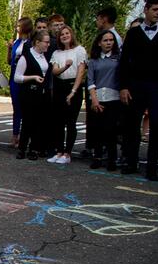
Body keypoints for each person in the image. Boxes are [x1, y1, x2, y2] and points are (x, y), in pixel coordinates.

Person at [119, 0, 158, 181]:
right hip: (136, 83)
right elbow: (125, 61)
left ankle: (151, 166)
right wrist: (124, 86)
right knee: (132, 124)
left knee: (156, 124)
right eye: (156, 9)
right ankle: (131, 161)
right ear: (146, 10)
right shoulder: (134, 33)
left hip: (156, 85)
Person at [48, 25, 87, 165]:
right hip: (59, 86)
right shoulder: (56, 53)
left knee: (71, 122)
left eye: (67, 33)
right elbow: (55, 71)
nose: (64, 36)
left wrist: (74, 91)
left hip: (73, 87)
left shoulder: (80, 50)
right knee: (58, 122)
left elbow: (81, 72)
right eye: (61, 34)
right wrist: (66, 66)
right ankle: (59, 151)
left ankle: (67, 153)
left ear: (71, 34)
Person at [15, 30, 51, 160]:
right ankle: (22, 149)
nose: (48, 45)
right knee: (27, 122)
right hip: (28, 93)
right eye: (46, 42)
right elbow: (17, 77)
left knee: (38, 122)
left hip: (41, 94)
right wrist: (33, 77)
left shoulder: (43, 57)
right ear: (37, 42)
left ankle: (34, 149)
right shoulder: (26, 57)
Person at [87, 30, 121, 171]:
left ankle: (112, 159)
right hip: (97, 98)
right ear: (99, 43)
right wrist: (94, 100)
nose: (108, 43)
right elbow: (90, 80)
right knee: (97, 130)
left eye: (111, 40)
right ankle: (97, 157)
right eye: (105, 40)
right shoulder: (94, 60)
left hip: (114, 98)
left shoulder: (118, 59)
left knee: (111, 130)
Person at [8, 17, 34, 147]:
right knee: (16, 107)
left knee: (26, 108)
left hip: (26, 78)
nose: (17, 28)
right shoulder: (17, 42)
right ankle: (15, 136)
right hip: (14, 77)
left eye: (19, 25)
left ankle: (26, 138)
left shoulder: (31, 42)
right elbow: (10, 61)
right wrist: (9, 49)